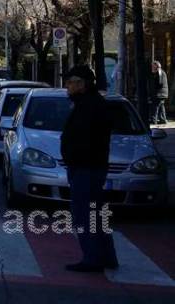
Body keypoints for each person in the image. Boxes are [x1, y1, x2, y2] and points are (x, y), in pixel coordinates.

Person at [61, 65, 117, 273]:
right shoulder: (88, 103)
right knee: (97, 215)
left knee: (85, 215)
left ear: (81, 84)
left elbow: (86, 139)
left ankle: (93, 258)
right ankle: (106, 256)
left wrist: (74, 157)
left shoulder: (90, 105)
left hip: (86, 167)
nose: (67, 87)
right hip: (88, 166)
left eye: (70, 83)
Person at [150, 61, 168, 125]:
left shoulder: (159, 72)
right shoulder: (161, 72)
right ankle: (163, 119)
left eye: (153, 66)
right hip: (163, 94)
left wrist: (154, 75)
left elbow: (159, 83)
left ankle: (154, 120)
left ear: (156, 66)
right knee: (161, 106)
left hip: (159, 94)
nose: (151, 67)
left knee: (155, 106)